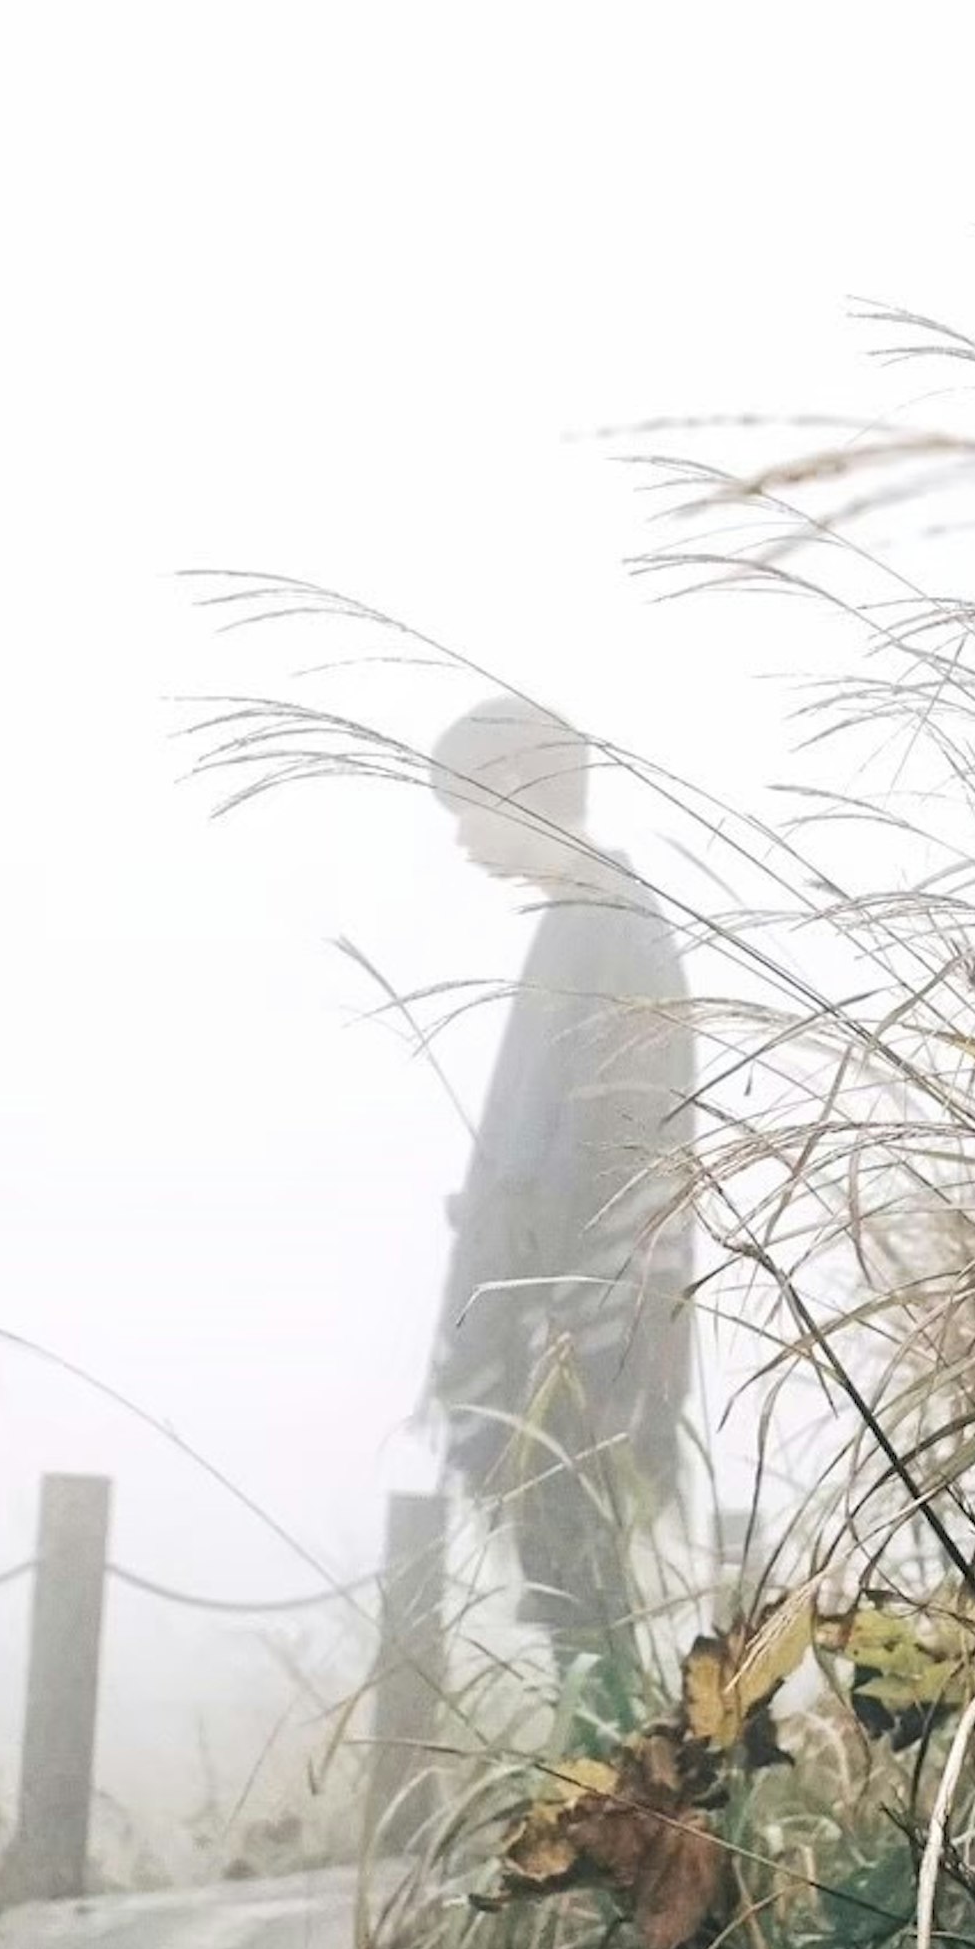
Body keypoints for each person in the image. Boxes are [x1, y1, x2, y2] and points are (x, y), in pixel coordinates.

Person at [422, 694, 695, 1681]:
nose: (458, 838)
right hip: (568, 1318)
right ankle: (609, 1796)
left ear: (517, 788)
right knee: (571, 1596)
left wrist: (557, 1320)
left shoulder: (608, 926)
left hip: (579, 1331)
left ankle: (622, 1807)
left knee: (582, 1595)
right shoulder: (587, 923)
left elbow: (623, 1144)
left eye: (466, 807)